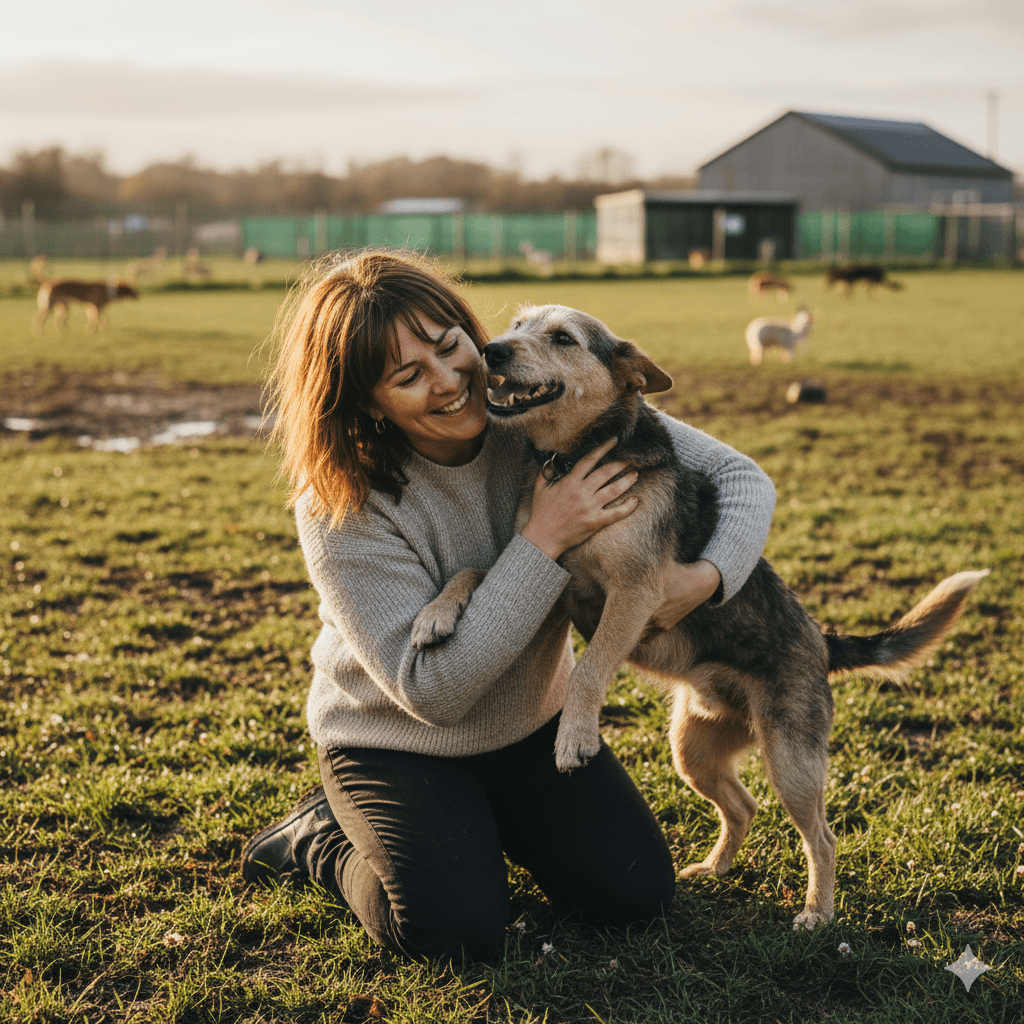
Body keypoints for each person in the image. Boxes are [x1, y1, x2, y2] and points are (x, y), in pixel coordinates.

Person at [241, 250, 776, 961]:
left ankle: (479, 821)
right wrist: (546, 536)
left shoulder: (538, 407)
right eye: (409, 376)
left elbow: (742, 478)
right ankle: (320, 839)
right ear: (369, 401)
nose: (451, 380)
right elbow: (435, 693)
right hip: (397, 742)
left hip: (530, 724)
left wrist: (706, 579)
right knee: (454, 934)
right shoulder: (342, 504)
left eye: (447, 345)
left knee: (632, 895)